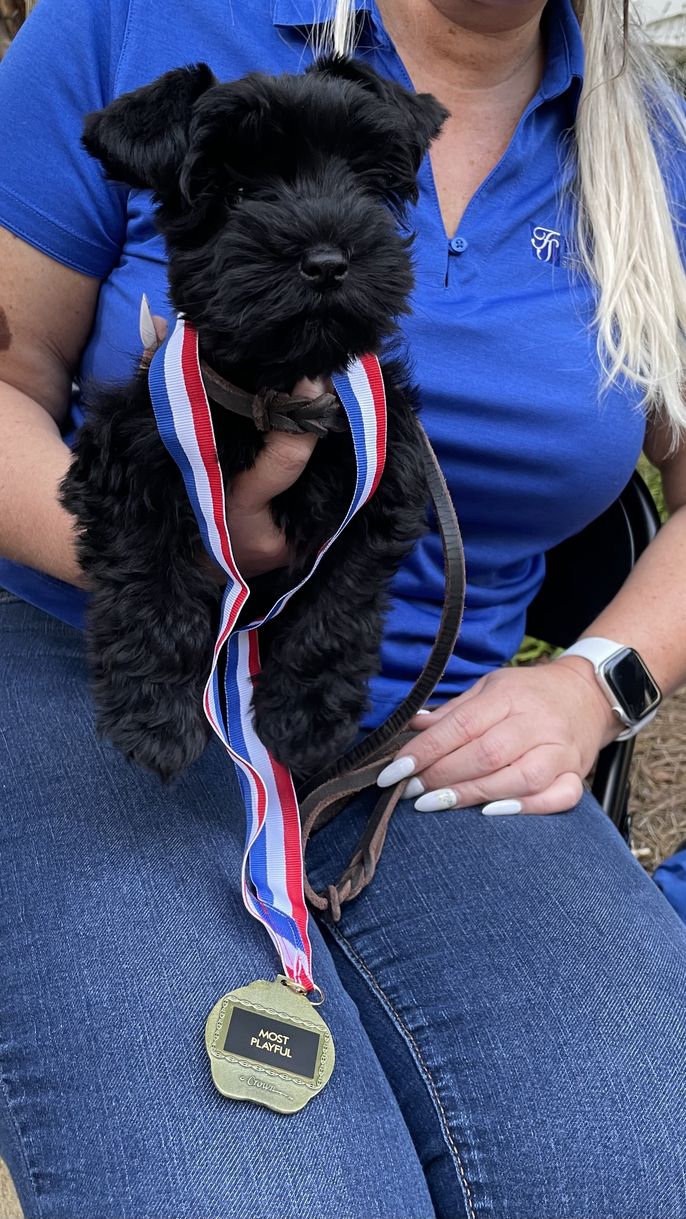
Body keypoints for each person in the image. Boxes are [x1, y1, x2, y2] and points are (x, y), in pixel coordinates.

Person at [0, 0, 685, 1215]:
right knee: (258, 1188)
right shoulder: (135, 19)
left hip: (425, 721)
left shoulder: (656, 143)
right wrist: (179, 560)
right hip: (100, 653)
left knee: (634, 1162)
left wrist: (598, 679)